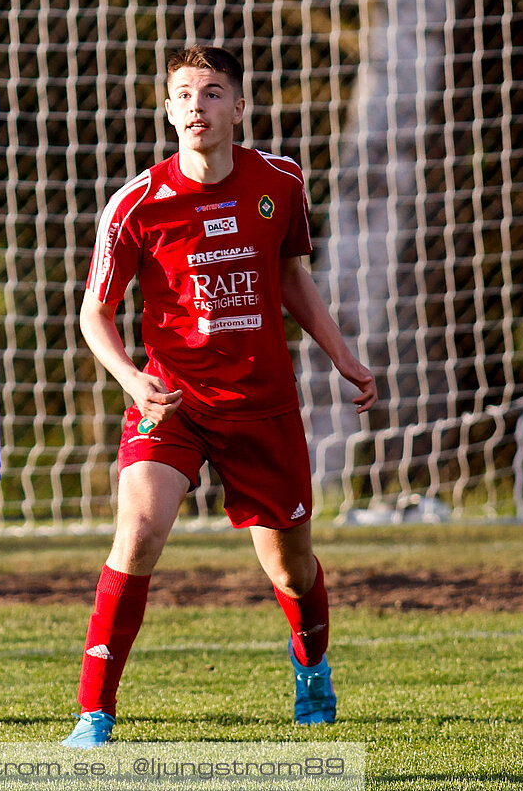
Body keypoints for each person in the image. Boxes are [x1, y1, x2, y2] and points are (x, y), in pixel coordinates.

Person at [62, 45, 377, 748]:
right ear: (167, 110)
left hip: (263, 405)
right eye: (183, 93)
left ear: (239, 107)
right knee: (138, 532)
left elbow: (292, 278)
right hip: (171, 404)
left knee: (291, 569)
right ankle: (94, 712)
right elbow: (95, 314)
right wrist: (130, 377)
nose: (196, 106)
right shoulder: (137, 205)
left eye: (211, 93)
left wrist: (344, 356)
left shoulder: (280, 182)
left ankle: (313, 667)